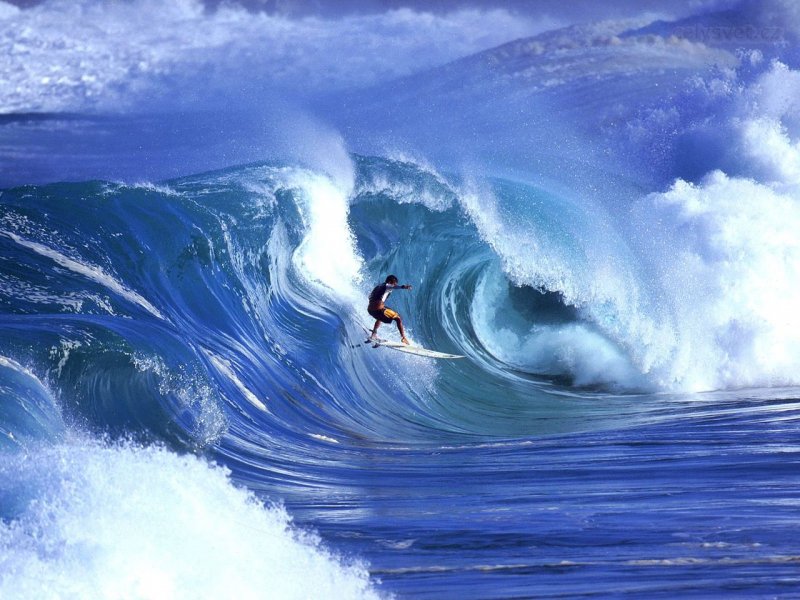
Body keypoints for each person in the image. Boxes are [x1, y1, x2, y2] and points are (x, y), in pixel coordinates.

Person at [368, 275, 413, 345]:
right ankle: (403, 338)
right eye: (394, 283)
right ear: (389, 282)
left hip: (371, 310)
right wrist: (404, 287)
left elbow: (370, 297)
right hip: (378, 309)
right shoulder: (388, 285)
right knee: (398, 318)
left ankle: (373, 334)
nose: (395, 285)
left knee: (380, 317)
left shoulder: (378, 287)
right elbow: (394, 286)